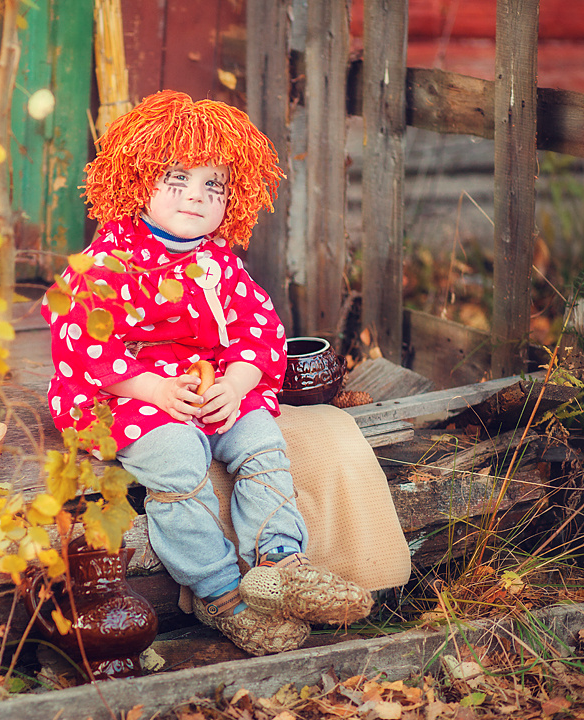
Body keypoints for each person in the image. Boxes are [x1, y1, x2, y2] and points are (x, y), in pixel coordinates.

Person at [41, 90, 373, 655]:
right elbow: (83, 344)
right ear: (137, 179)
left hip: (209, 382)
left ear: (230, 199)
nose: (196, 196)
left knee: (260, 439)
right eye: (177, 179)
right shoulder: (107, 262)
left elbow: (260, 331)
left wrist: (238, 383)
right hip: (126, 389)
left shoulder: (219, 262)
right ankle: (220, 591)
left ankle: (280, 563)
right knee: (176, 457)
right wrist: (151, 388)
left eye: (212, 185)